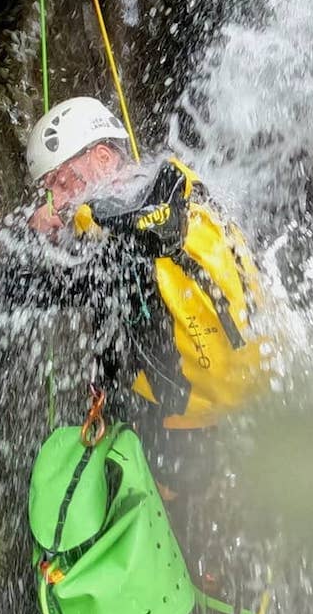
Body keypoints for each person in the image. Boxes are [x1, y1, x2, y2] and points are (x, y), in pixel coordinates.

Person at [20, 96, 267, 434]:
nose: (59, 201)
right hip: (249, 373)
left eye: (62, 183)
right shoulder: (178, 187)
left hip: (185, 408)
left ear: (103, 158)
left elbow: (21, 294)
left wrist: (31, 239)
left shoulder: (114, 232)